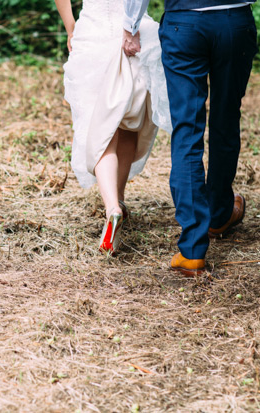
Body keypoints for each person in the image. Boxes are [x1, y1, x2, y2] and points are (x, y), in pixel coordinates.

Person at [123, 0, 258, 275]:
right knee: (226, 120)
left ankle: (193, 249)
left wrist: (130, 24)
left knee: (187, 129)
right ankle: (219, 214)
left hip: (184, 23)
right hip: (234, 20)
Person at [55, 0, 172, 253]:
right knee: (128, 122)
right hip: (133, 32)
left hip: (93, 33)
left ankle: (112, 209)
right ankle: (118, 199)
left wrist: (70, 28)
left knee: (99, 128)